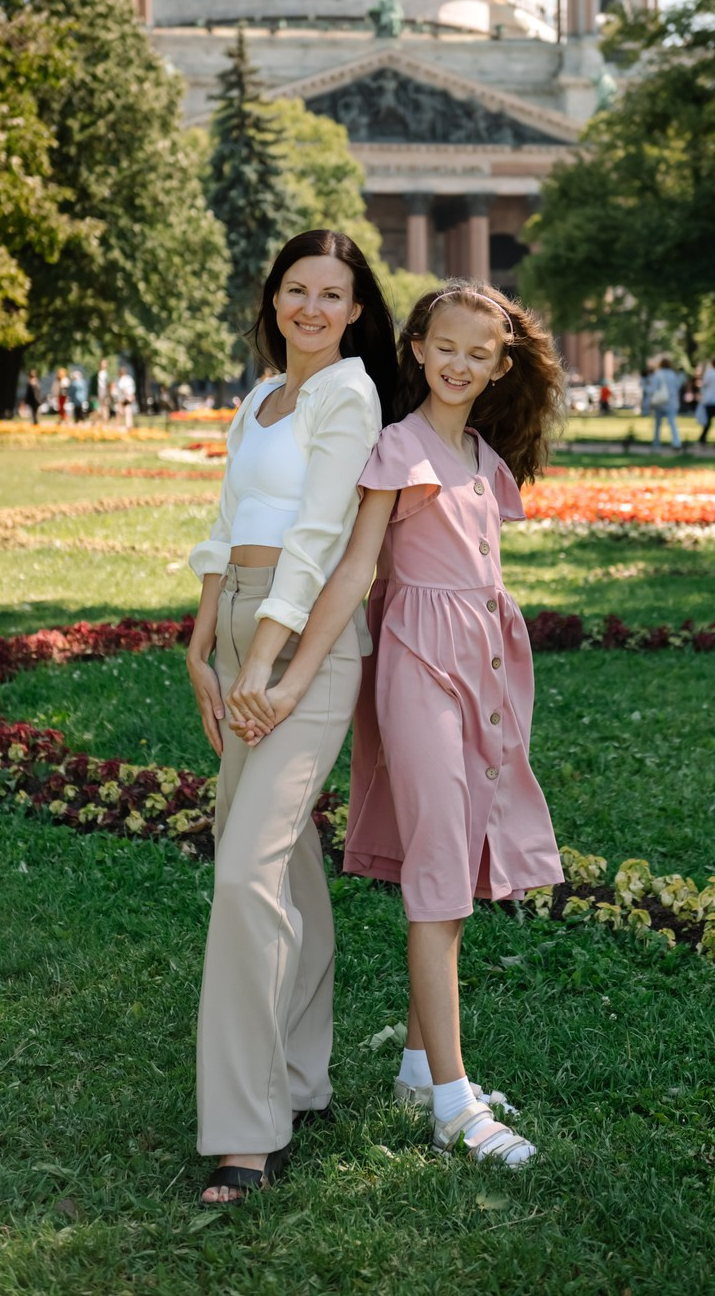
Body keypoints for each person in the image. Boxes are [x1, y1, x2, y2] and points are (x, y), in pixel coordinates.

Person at [231, 281, 564, 1168]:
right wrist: (294, 675)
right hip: (419, 670)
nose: (458, 364)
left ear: (499, 367)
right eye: (443, 346)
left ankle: (421, 1068)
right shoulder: (397, 449)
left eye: (478, 354)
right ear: (416, 347)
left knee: (460, 848)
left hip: (484, 671)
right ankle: (455, 1105)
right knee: (441, 881)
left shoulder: (485, 460)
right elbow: (352, 574)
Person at [185, 230, 398, 1206]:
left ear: (356, 310)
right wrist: (204, 642)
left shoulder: (348, 393)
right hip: (236, 625)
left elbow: (318, 538)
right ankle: (304, 1074)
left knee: (244, 871)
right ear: (272, 298)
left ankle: (247, 1127)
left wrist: (266, 663)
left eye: (331, 292)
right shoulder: (262, 395)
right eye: (295, 289)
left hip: (301, 641)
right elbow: (232, 519)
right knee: (282, 861)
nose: (311, 306)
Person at [645, 356, 683, 449]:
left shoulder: (658, 375)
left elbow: (653, 389)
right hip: (671, 402)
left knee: (658, 423)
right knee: (672, 423)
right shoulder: (673, 375)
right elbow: (677, 387)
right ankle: (676, 442)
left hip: (660, 403)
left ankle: (656, 442)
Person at [115, 365, 136, 431]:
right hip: (121, 398)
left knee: (126, 410)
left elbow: (128, 389)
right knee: (121, 411)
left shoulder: (127, 379)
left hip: (126, 397)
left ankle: (127, 425)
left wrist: (129, 395)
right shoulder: (118, 379)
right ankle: (121, 425)